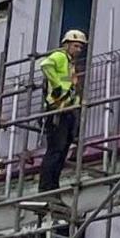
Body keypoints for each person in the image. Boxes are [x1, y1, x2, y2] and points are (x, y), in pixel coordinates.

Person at [36, 29, 85, 189]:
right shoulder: (60, 56)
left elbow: (70, 85)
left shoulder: (70, 63)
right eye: (76, 46)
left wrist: (77, 102)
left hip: (67, 109)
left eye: (80, 47)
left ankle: (53, 185)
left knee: (63, 150)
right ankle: (46, 187)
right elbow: (45, 65)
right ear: (67, 44)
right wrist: (56, 86)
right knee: (55, 150)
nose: (78, 50)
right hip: (57, 109)